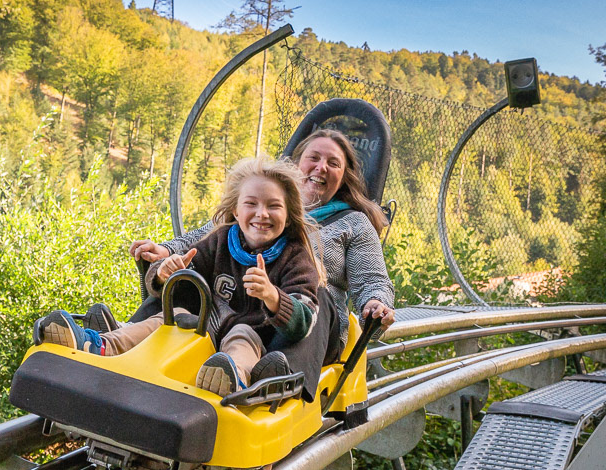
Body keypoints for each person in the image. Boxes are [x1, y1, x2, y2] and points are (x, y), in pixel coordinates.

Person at [35, 157, 323, 399]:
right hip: (202, 332)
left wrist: (273, 296)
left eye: (274, 206)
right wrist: (165, 273)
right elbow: (186, 273)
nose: (262, 214)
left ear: (288, 215)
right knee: (171, 319)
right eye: (252, 204)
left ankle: (232, 378)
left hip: (253, 340)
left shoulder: (296, 257)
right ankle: (99, 344)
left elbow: (306, 320)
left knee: (242, 336)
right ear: (236, 210)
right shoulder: (222, 240)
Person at [128, 128, 395, 357]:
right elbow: (205, 237)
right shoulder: (259, 210)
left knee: (318, 292)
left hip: (305, 331)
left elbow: (372, 279)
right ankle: (124, 340)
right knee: (184, 275)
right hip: (238, 313)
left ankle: (278, 374)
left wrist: (376, 303)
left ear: (344, 175)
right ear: (295, 165)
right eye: (313, 158)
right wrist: (166, 251)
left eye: (333, 163)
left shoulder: (354, 223)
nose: (321, 167)